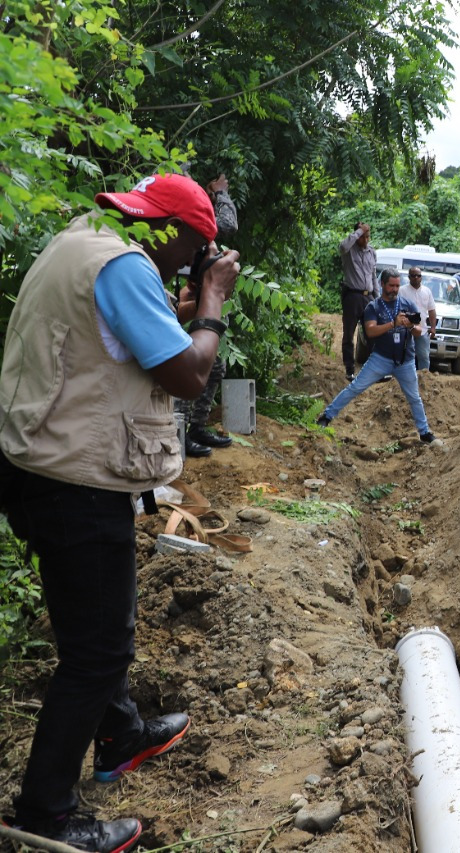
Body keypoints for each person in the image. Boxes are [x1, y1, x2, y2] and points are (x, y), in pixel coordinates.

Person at [0, 173, 242, 851]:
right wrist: (212, 304)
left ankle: (121, 734)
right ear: (174, 231)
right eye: (196, 247)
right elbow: (189, 374)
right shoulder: (125, 266)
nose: (194, 260)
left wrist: (175, 309)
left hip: (38, 466)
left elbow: (111, 346)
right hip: (72, 482)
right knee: (99, 649)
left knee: (93, 626)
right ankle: (46, 814)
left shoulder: (85, 241)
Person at [317, 269, 441, 446]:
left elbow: (420, 330)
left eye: (397, 286)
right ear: (382, 284)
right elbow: (370, 331)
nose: (395, 289)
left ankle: (424, 432)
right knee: (355, 387)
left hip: (405, 360)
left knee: (414, 398)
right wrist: (393, 324)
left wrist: (410, 327)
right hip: (381, 358)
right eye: (391, 285)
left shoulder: (408, 304)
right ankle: (326, 417)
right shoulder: (373, 307)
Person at [177, 173, 240, 457]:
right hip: (179, 290)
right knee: (184, 362)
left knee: (214, 366)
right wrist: (222, 193)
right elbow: (227, 224)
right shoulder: (183, 209)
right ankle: (178, 431)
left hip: (194, 289)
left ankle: (195, 426)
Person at [339, 222, 377, 381]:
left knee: (372, 334)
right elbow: (342, 246)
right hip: (352, 296)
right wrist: (359, 231)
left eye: (368, 236)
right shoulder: (349, 250)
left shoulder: (371, 252)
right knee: (349, 334)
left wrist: (377, 298)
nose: (366, 240)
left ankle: (375, 370)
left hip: (369, 297)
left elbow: (373, 275)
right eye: (363, 236)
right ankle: (349, 370)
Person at [400, 267, 438, 372]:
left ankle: (424, 379)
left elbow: (431, 310)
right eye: (413, 275)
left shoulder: (427, 291)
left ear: (421, 277)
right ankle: (403, 378)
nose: (416, 277)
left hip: (422, 331)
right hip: (405, 330)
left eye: (418, 275)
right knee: (405, 356)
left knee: (424, 357)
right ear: (409, 277)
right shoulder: (402, 291)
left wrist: (433, 327)